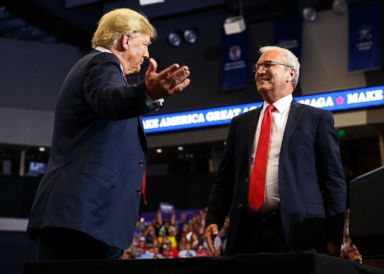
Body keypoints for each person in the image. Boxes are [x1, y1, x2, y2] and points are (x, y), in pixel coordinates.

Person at [27, 8, 190, 260]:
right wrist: (147, 93)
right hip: (83, 215)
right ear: (125, 40)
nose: (147, 54)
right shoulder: (102, 62)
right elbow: (110, 100)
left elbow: (115, 101)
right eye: (144, 44)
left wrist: (149, 97)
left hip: (86, 216)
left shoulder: (102, 71)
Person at [204, 46, 346, 256]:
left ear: (291, 73)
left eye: (268, 64)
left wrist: (334, 236)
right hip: (246, 232)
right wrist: (214, 218)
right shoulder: (240, 123)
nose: (260, 71)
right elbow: (225, 178)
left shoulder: (316, 119)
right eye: (257, 67)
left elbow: (333, 181)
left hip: (299, 231)